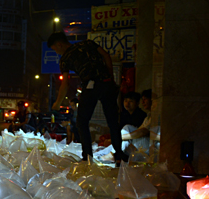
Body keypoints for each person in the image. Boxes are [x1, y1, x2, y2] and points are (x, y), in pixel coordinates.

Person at [48, 32, 127, 165]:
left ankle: (87, 157)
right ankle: (119, 155)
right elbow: (106, 56)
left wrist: (57, 103)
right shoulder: (87, 43)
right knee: (113, 121)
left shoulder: (65, 58)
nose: (57, 52)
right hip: (107, 84)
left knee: (82, 122)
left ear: (59, 44)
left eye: (55, 49)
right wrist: (110, 78)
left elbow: (65, 84)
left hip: (91, 86)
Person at [121, 89, 159, 154]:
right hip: (142, 143)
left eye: (145, 99)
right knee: (123, 139)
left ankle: (120, 156)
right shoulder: (148, 117)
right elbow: (140, 130)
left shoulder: (150, 115)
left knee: (127, 129)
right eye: (125, 101)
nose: (143, 102)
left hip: (151, 146)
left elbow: (143, 131)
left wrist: (123, 137)